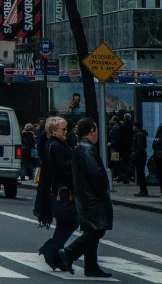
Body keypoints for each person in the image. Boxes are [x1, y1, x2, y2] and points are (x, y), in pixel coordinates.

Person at [58, 118, 113, 278]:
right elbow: (95, 174)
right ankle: (68, 253)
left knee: (92, 229)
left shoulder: (80, 147)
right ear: (91, 132)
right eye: (96, 131)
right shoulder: (87, 149)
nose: (97, 134)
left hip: (85, 195)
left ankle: (91, 266)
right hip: (92, 197)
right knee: (97, 229)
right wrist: (103, 192)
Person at [35, 116, 76, 271]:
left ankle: (55, 256)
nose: (66, 131)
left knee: (65, 224)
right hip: (62, 190)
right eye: (63, 129)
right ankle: (51, 251)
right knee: (71, 220)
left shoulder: (53, 144)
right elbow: (61, 169)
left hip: (59, 189)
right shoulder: (56, 146)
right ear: (54, 130)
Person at [131, 125, 150, 197]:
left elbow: (139, 147)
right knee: (140, 173)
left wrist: (134, 155)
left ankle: (143, 191)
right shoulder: (141, 134)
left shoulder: (139, 135)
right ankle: (143, 190)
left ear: (135, 127)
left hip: (139, 156)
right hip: (141, 156)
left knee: (140, 174)